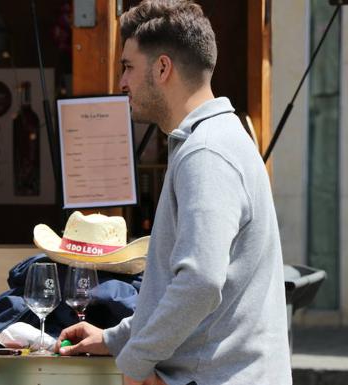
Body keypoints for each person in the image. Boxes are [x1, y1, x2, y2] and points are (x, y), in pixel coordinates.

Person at [54, 1, 292, 385]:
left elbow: (200, 282)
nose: (122, 83)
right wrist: (118, 338)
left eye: (128, 67)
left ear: (163, 68)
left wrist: (135, 361)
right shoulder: (215, 141)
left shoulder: (206, 151)